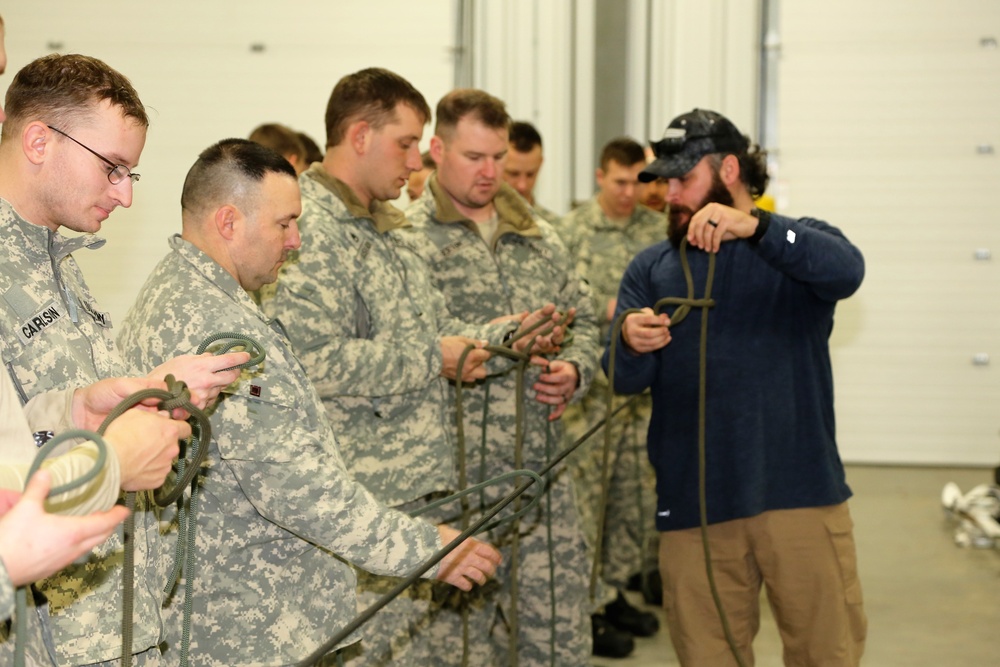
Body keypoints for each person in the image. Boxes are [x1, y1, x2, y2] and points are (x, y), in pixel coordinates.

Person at [117, 138, 502, 667]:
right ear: (229, 222)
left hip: (255, 616)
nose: (296, 241)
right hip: (250, 629)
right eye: (284, 223)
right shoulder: (212, 323)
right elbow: (292, 486)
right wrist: (427, 550)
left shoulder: (187, 292)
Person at [260, 68, 546, 666]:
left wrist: (509, 336)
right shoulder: (304, 227)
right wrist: (429, 357)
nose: (417, 162)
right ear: (360, 136)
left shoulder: (393, 225)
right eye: (407, 143)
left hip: (427, 495)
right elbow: (309, 357)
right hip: (360, 509)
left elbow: (430, 336)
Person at [0, 51, 247, 666]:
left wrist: (111, 401)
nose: (125, 195)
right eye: (112, 168)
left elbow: (25, 424)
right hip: (40, 629)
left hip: (113, 619)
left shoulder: (58, 260)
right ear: (38, 140)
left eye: (129, 174)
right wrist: (106, 452)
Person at [606, 108, 867, 666]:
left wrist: (763, 228)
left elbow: (847, 269)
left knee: (827, 654)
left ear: (729, 170)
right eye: (665, 181)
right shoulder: (652, 268)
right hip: (694, 509)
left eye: (684, 178)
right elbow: (624, 382)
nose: (670, 194)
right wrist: (628, 340)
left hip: (799, 498)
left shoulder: (795, 246)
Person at [402, 88, 599, 666]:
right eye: (474, 157)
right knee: (456, 652)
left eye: (498, 158)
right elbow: (420, 340)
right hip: (455, 490)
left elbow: (582, 316)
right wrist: (503, 334)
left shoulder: (538, 235)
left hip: (540, 481)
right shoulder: (409, 240)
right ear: (437, 149)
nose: (490, 173)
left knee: (560, 644)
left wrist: (575, 369)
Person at [557, 137, 665, 657]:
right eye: (620, 182)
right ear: (600, 177)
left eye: (638, 183)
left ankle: (617, 588)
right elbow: (559, 303)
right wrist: (611, 308)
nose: (629, 193)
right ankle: (588, 607)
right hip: (590, 397)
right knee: (588, 502)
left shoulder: (655, 230)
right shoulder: (572, 231)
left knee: (631, 497)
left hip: (641, 392)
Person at [503, 120, 561, 224]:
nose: (522, 185)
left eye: (530, 174)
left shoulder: (555, 228)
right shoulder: (477, 224)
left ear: (540, 164)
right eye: (513, 174)